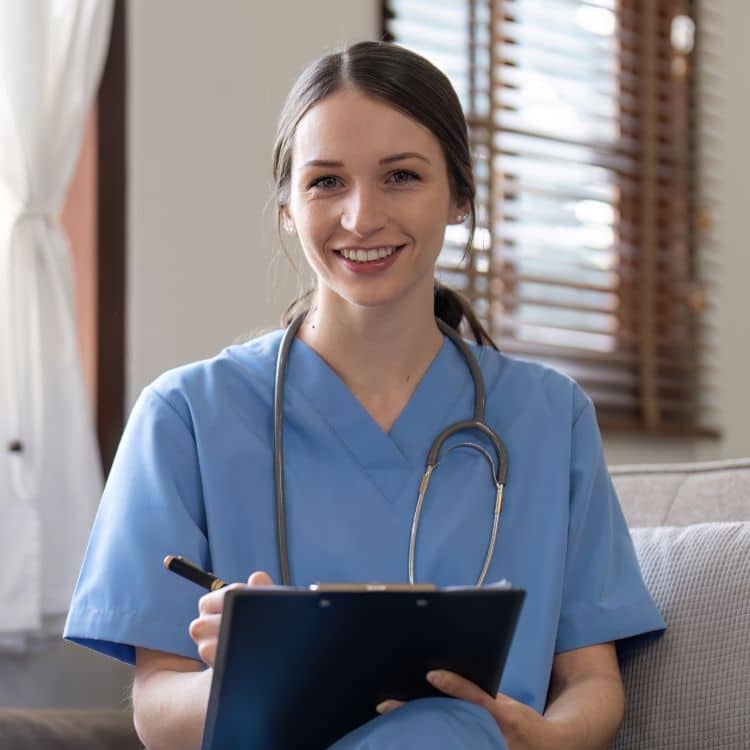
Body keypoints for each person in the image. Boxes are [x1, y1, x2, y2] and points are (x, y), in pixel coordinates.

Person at [64, 40, 665, 750]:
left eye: (401, 176)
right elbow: (158, 713)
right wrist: (268, 668)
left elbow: (591, 684)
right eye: (325, 183)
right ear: (288, 206)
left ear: (460, 198)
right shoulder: (187, 415)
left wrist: (533, 736)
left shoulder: (550, 417)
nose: (361, 217)